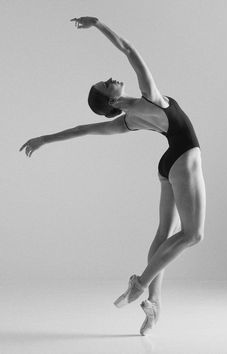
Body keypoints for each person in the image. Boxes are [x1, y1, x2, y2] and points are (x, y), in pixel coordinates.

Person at [19, 16, 206, 336]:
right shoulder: (150, 96)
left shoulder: (125, 121)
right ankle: (141, 284)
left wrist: (44, 139)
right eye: (106, 84)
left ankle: (154, 304)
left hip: (167, 163)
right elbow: (129, 50)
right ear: (111, 100)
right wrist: (99, 25)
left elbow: (82, 130)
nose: (110, 78)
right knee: (193, 235)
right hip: (184, 156)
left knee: (165, 232)